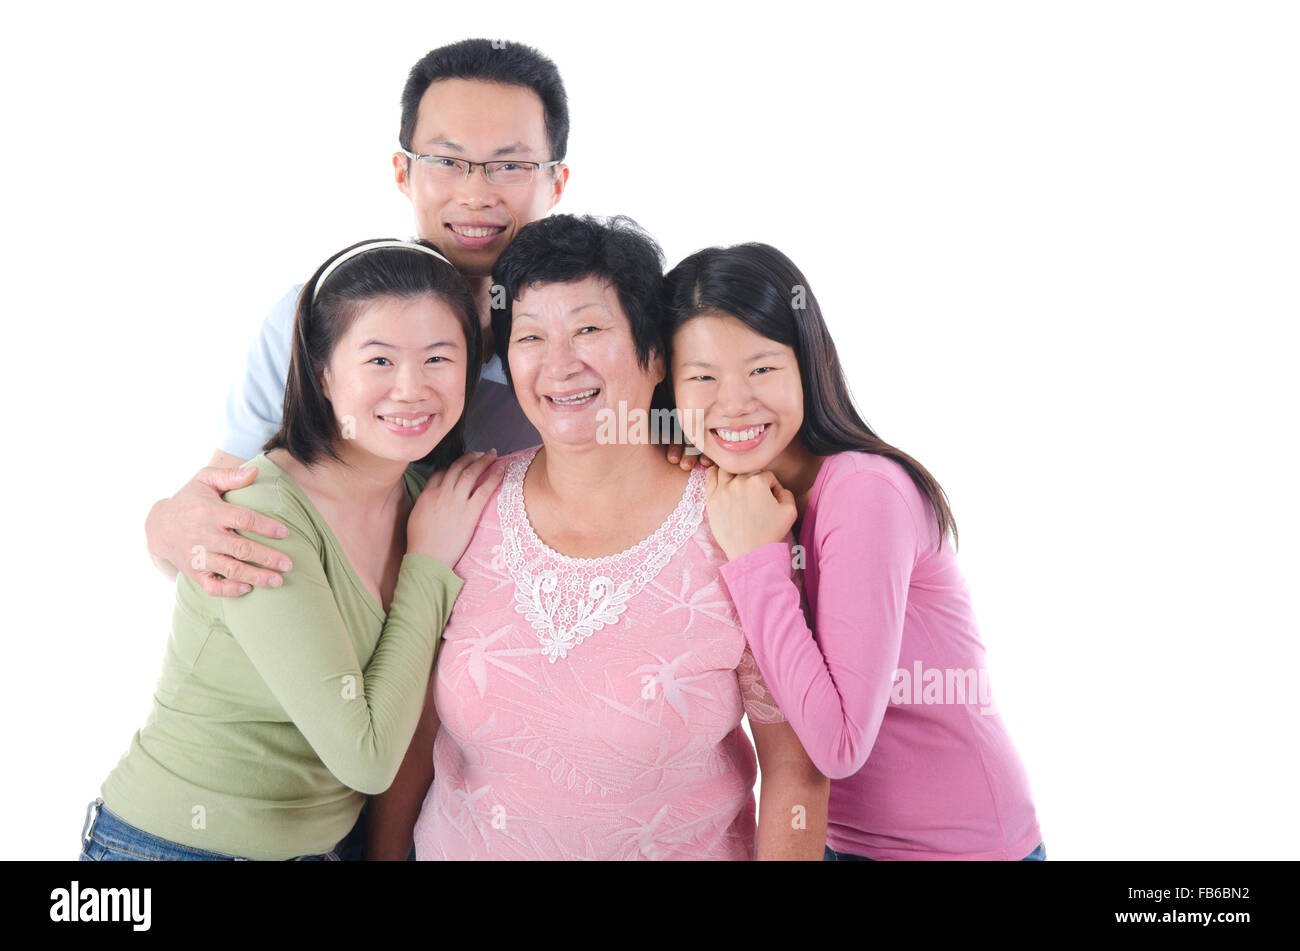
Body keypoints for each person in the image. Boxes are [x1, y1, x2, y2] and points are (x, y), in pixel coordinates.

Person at [365, 216, 829, 860]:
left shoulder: (739, 525)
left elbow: (797, 774)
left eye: (588, 328)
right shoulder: (459, 508)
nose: (559, 364)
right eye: (530, 336)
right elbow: (410, 739)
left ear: (654, 353)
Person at [81, 240, 503, 860]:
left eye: (438, 358)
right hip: (169, 849)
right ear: (324, 373)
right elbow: (367, 760)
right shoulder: (262, 513)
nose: (411, 388)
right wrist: (426, 567)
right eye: (379, 360)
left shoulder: (426, 498)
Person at [145, 38, 570, 599]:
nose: (474, 193)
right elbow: (218, 502)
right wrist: (167, 526)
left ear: (556, 183)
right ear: (403, 172)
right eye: (447, 161)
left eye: (510, 165)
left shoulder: (595, 335)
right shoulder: (315, 317)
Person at [663, 243, 1044, 861]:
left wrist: (756, 560)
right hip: (839, 841)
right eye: (702, 377)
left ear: (811, 365)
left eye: (762, 369)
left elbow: (839, 745)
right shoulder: (745, 491)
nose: (732, 402)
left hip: (960, 849)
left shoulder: (865, 491)